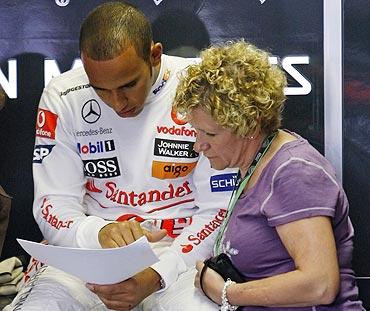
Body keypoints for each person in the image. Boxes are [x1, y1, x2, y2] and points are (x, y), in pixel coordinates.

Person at [5, 2, 236, 311]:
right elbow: (52, 205)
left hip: (181, 254)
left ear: (154, 55)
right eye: (101, 90)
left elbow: (219, 209)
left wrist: (158, 273)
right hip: (88, 254)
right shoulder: (64, 95)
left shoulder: (198, 88)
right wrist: (99, 233)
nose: (117, 102)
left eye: (129, 85)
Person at [173, 40, 364, 310]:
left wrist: (228, 293)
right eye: (197, 131)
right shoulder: (257, 163)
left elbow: (320, 285)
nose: (198, 145)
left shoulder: (293, 172)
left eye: (211, 134)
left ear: (247, 125)